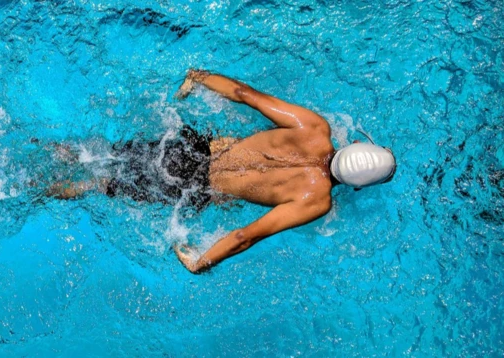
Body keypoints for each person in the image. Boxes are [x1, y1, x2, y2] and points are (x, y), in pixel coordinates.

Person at [47, 69, 396, 274]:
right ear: (358, 186)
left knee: (99, 154)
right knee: (99, 184)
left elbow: (245, 94)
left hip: (191, 148)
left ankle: (50, 148)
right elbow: (247, 236)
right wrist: (202, 262)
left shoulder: (314, 128)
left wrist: (199, 77)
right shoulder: (316, 200)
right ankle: (39, 189)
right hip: (194, 188)